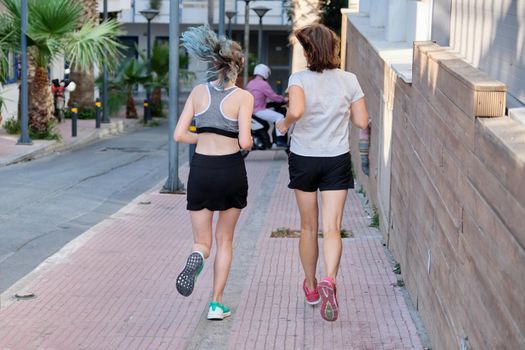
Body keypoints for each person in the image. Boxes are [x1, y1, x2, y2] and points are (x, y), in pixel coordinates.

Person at [276, 24, 369, 322]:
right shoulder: (350, 80)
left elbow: (298, 110)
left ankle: (313, 288)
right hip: (336, 159)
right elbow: (362, 120)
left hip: (304, 158)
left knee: (307, 227)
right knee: (332, 227)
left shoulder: (299, 78)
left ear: (308, 52)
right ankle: (330, 278)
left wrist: (285, 122)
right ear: (333, 49)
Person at [173, 25, 253, 321]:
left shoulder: (198, 92)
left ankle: (197, 256)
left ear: (214, 63)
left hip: (201, 171)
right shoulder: (243, 98)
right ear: (238, 67)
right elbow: (244, 141)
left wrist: (203, 137)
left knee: (203, 242)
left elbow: (179, 135)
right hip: (230, 171)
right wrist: (243, 141)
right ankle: (217, 305)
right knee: (226, 241)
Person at [246, 63, 288, 147]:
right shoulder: (263, 84)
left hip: (251, 110)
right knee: (279, 117)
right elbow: (273, 96)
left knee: (271, 115)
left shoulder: (250, 83)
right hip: (258, 110)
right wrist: (283, 99)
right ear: (265, 73)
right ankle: (280, 140)